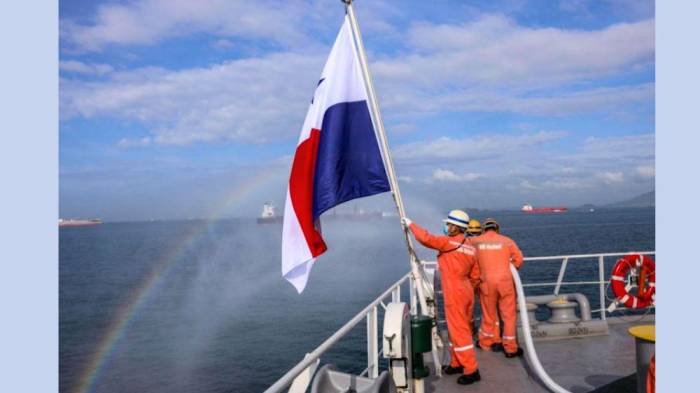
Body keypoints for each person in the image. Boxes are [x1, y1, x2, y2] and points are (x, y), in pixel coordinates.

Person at [403, 210, 481, 385]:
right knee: (458, 329)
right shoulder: (470, 246)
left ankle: (471, 369)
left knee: (460, 333)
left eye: (449, 224)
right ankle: (456, 362)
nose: (446, 227)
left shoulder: (448, 243)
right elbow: (476, 276)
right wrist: (467, 289)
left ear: (455, 227)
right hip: (467, 289)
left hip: (455, 291)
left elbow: (427, 239)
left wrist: (410, 224)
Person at [471, 218, 524, 358]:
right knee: (508, 315)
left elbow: (469, 260)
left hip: (486, 283)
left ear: (484, 229)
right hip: (505, 282)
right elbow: (518, 260)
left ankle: (487, 342)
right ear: (497, 228)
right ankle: (510, 347)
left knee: (489, 315)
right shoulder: (507, 241)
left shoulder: (475, 242)